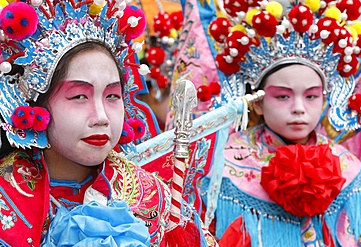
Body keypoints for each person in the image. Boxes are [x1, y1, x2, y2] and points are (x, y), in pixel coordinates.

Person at [0, 1, 216, 246]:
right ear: (35, 107)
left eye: (112, 96)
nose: (101, 116)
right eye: (79, 96)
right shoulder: (6, 199)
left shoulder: (155, 199)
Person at [199, 1, 361, 246]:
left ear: (324, 98)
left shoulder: (350, 170)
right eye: (282, 96)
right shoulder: (222, 168)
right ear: (257, 102)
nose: (299, 108)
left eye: (311, 96)